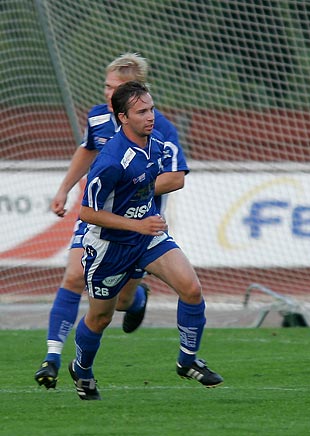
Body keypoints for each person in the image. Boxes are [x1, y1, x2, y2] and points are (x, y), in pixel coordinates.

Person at [35, 53, 188, 389]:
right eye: (107, 86)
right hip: (97, 218)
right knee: (74, 276)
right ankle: (52, 358)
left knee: (119, 302)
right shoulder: (98, 118)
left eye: (116, 87)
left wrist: (137, 185)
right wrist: (64, 189)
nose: (108, 93)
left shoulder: (157, 126)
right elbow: (87, 151)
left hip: (138, 225)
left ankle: (137, 298)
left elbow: (175, 176)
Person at [69, 81, 222, 400]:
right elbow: (85, 212)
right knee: (101, 317)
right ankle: (81, 370)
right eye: (142, 112)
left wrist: (143, 221)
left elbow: (172, 177)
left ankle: (187, 360)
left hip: (147, 236)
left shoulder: (155, 143)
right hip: (110, 247)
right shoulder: (111, 160)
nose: (150, 116)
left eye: (151, 109)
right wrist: (134, 224)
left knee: (191, 288)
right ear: (123, 117)